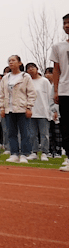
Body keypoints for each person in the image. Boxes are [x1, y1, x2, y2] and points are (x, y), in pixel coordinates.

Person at [0, 55, 36, 163]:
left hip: (22, 108)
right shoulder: (6, 78)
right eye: (9, 61)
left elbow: (31, 93)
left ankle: (24, 154)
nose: (11, 62)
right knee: (11, 133)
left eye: (13, 60)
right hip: (9, 109)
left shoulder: (25, 77)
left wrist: (29, 107)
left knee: (25, 132)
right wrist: (2, 107)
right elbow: (1, 93)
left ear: (19, 63)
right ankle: (14, 153)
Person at [49, 14, 69, 171]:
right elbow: (56, 69)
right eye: (64, 23)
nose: (66, 25)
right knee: (66, 126)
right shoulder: (58, 47)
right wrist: (56, 90)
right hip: (64, 90)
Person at [27, 63, 52, 161]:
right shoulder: (28, 82)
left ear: (37, 69)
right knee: (32, 134)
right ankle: (34, 152)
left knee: (44, 134)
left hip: (43, 111)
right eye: (28, 68)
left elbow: (50, 96)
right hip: (31, 111)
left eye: (32, 67)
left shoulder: (44, 81)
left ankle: (45, 153)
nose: (30, 70)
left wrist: (51, 110)